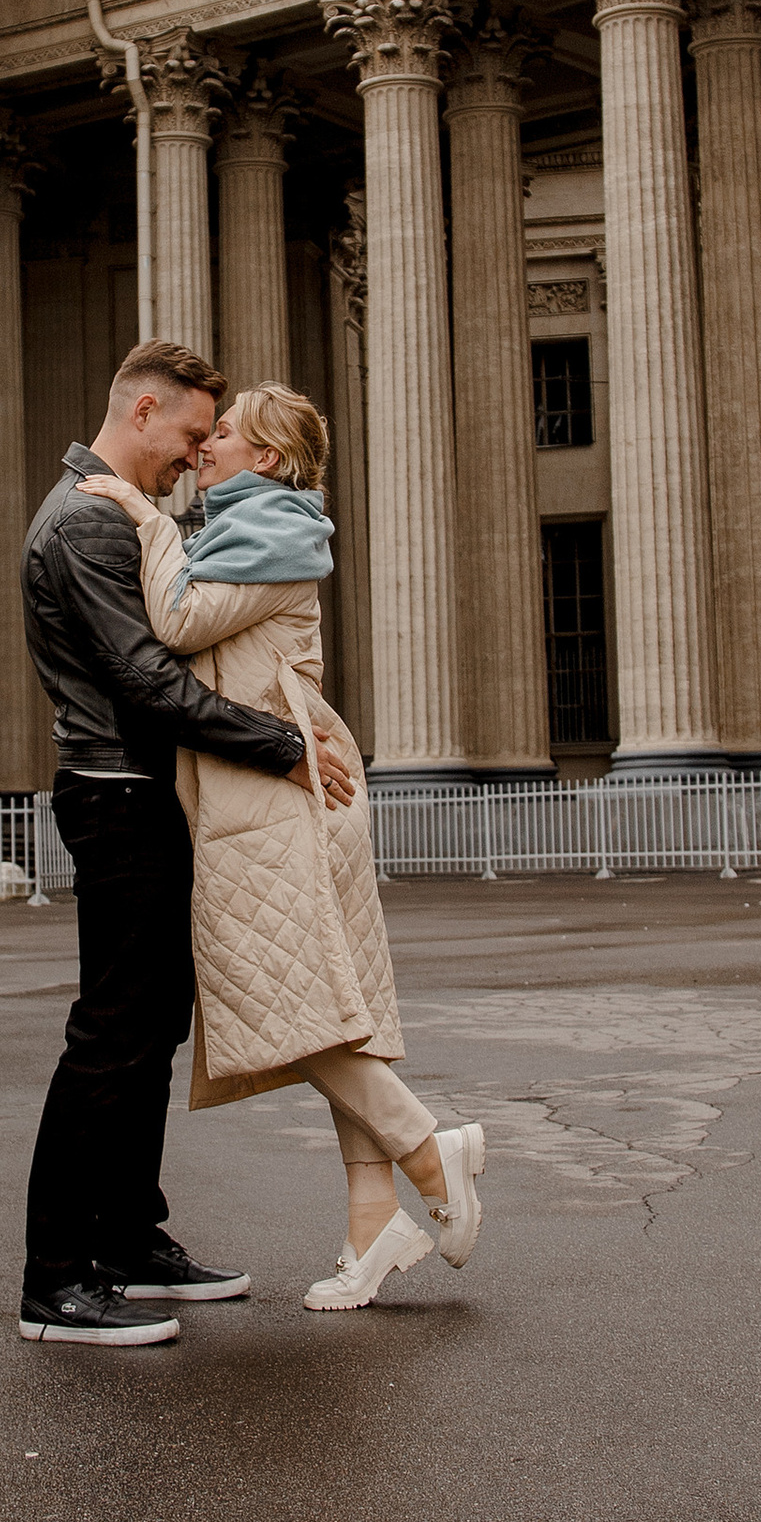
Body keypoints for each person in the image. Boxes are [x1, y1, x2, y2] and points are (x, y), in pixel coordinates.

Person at [77, 382, 486, 1313]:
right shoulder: (246, 530)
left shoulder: (271, 533)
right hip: (277, 788)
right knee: (332, 1007)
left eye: (222, 434)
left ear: (265, 458)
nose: (204, 447)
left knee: (286, 1002)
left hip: (278, 794)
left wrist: (143, 513)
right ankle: (372, 1225)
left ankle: (428, 1148)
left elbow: (178, 622)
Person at [17, 340, 357, 1349]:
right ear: (144, 410)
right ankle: (55, 1281)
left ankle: (127, 1238)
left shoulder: (109, 513)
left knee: (152, 1023)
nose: (197, 453)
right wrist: (282, 746)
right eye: (192, 433)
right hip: (116, 792)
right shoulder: (87, 519)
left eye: (213, 437)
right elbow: (145, 680)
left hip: (138, 790)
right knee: (111, 1033)